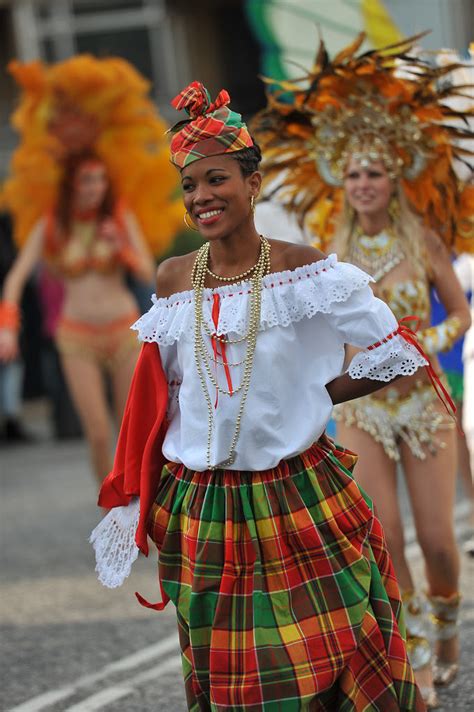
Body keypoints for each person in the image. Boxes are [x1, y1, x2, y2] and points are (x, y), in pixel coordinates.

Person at [90, 81, 433, 710]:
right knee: (230, 671)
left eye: (216, 180)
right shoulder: (174, 279)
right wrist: (140, 491)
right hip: (205, 505)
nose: (202, 198)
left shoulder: (304, 269)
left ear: (253, 183)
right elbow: (161, 393)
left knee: (335, 646)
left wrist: (314, 394)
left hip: (297, 491)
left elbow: (398, 349)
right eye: (190, 187)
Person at [251, 34, 473, 708]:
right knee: (386, 538)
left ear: (395, 176)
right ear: (341, 183)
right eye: (352, 175)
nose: (363, 184)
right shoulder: (331, 250)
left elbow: (461, 314)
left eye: (374, 173)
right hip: (362, 411)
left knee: (436, 540)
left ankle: (449, 632)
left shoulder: (424, 240)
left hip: (423, 406)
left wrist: (423, 341)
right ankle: (416, 664)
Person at [0, 55, 182, 484]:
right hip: (76, 336)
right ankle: (111, 508)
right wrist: (7, 327)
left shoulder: (120, 218)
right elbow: (15, 279)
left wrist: (124, 249)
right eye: (85, 181)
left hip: (122, 331)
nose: (93, 188)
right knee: (98, 433)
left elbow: (148, 275)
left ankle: (140, 501)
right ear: (70, 183)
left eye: (99, 180)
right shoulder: (51, 225)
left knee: (130, 430)